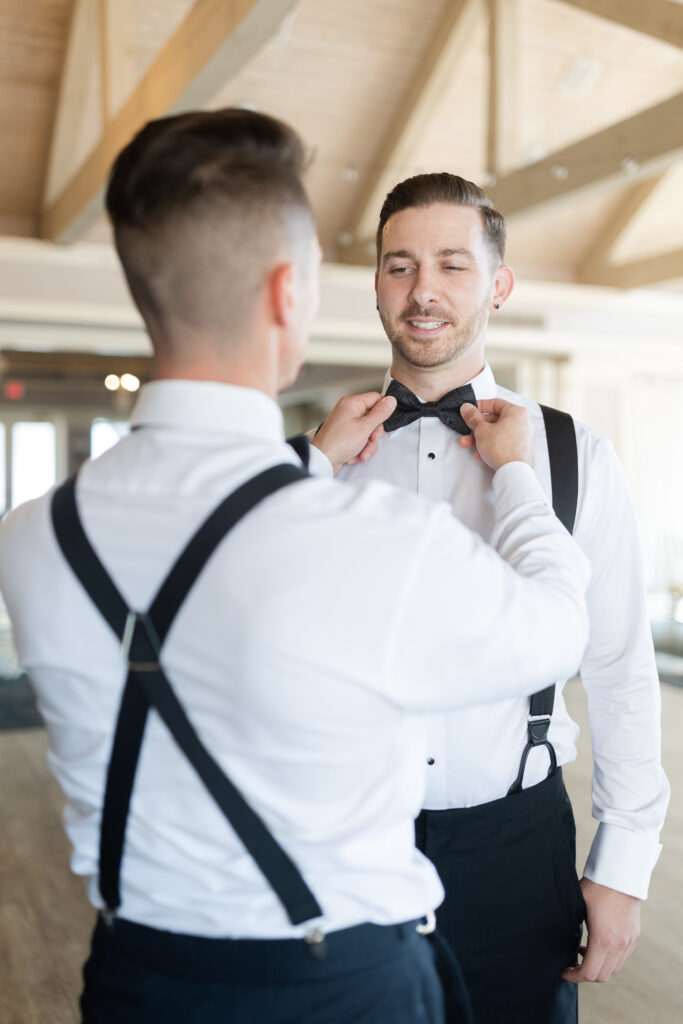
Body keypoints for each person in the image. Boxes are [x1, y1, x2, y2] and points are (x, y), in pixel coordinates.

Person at [0, 115, 591, 1024]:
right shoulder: (373, 537)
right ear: (288, 293)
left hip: (133, 981)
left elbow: (221, 590)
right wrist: (516, 476)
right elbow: (556, 624)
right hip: (339, 988)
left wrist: (308, 465)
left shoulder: (32, 535)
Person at [310, 172, 670, 1024]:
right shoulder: (313, 462)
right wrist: (309, 473)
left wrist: (622, 865)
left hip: (515, 849)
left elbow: (618, 666)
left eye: (451, 265)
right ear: (374, 286)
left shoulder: (576, 456)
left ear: (499, 285)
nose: (422, 290)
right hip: (342, 839)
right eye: (398, 266)